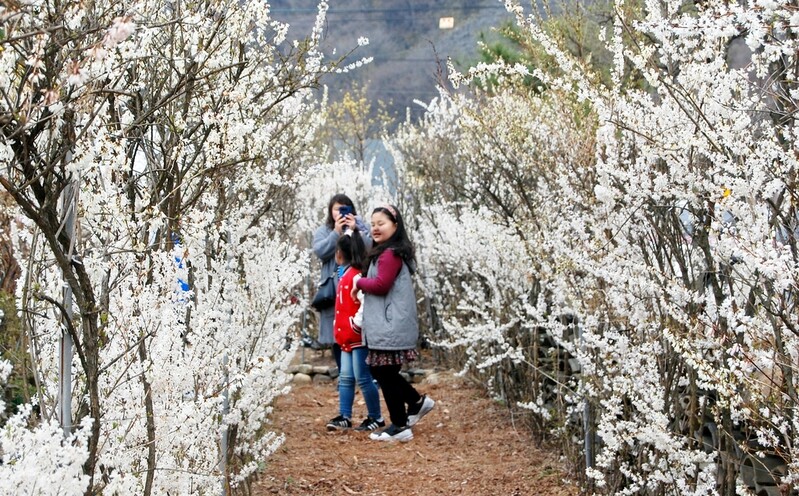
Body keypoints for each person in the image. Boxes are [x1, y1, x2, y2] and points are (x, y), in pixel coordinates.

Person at [354, 204, 435, 442]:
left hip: (390, 324)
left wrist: (358, 282)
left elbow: (380, 284)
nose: (376, 228)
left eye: (382, 223)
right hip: (388, 323)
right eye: (374, 223)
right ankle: (415, 405)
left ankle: (401, 424)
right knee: (384, 371)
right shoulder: (387, 251)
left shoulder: (390, 254)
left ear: (395, 226)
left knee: (383, 371)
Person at [325, 229, 385, 432]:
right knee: (346, 377)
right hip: (345, 337)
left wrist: (355, 324)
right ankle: (344, 415)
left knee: (363, 377)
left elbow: (364, 302)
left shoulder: (356, 276)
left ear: (341, 253)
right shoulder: (345, 275)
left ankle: (376, 416)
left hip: (357, 336)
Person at [312, 194, 370, 370]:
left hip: (357, 287)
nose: (341, 212)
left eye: (345, 208)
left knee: (359, 328)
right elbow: (320, 251)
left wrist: (356, 230)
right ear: (330, 211)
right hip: (333, 289)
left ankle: (361, 375)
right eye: (337, 208)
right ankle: (344, 375)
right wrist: (336, 233)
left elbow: (371, 247)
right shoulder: (324, 231)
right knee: (336, 333)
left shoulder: (360, 226)